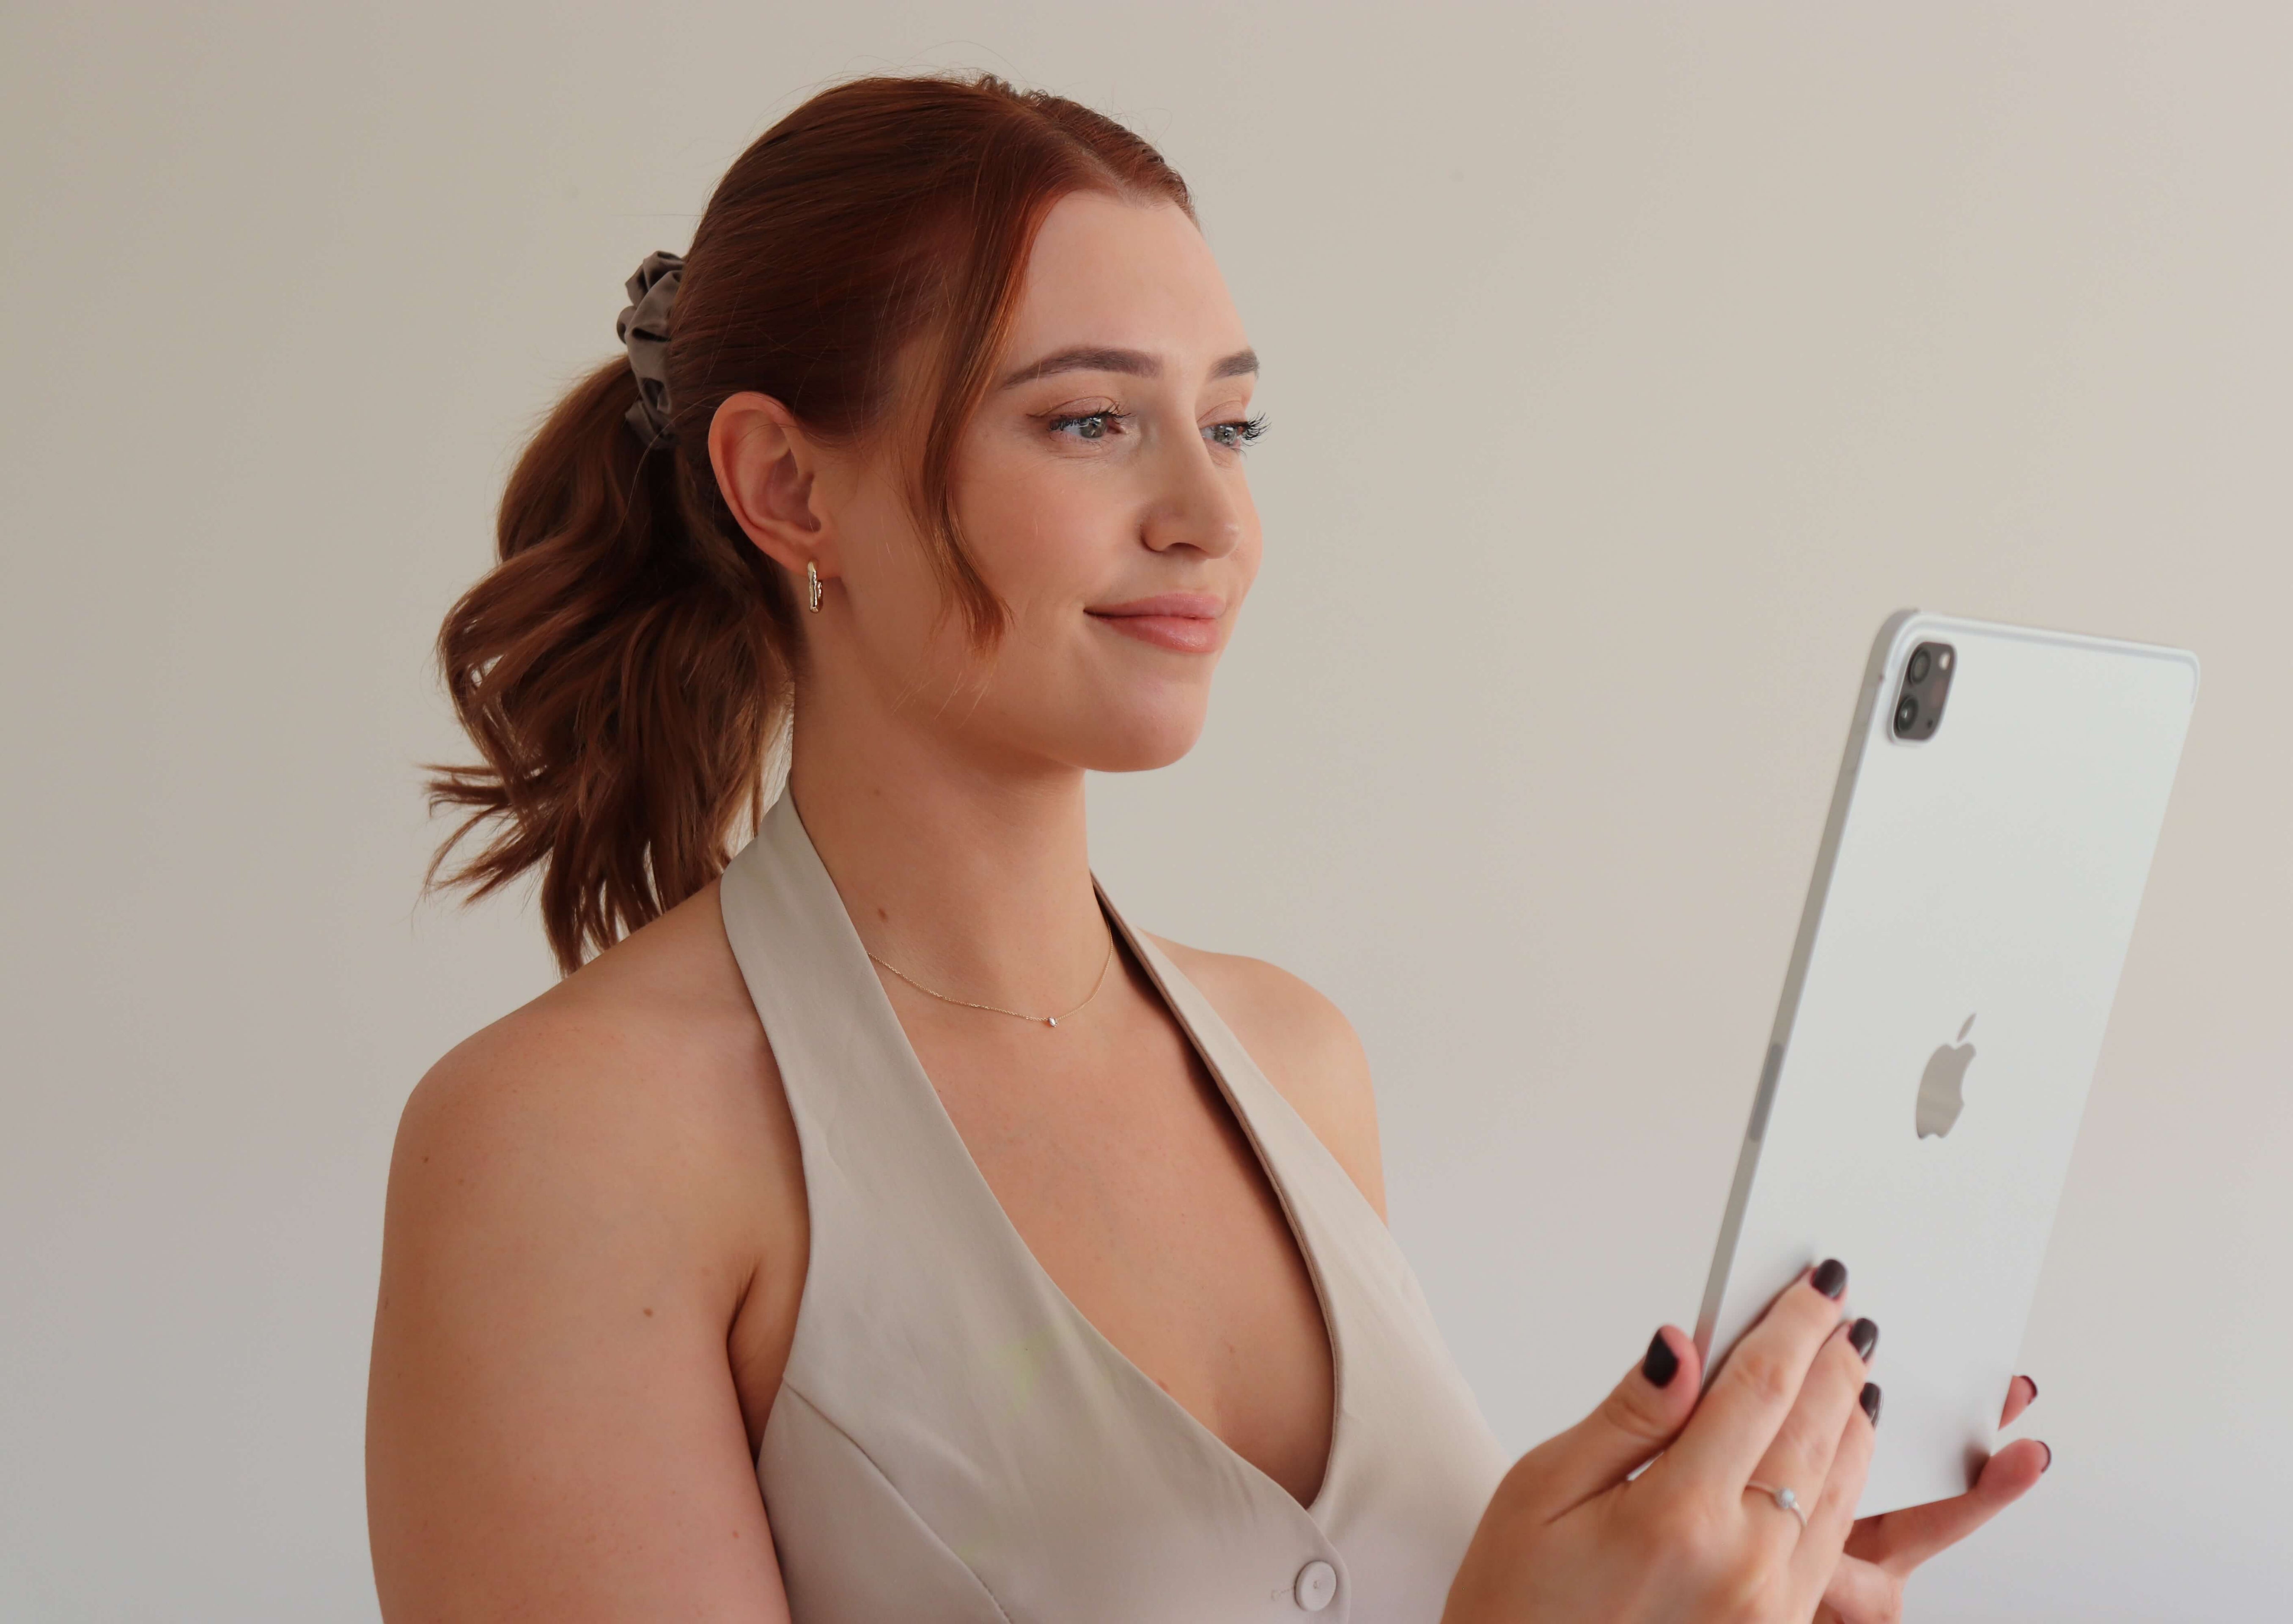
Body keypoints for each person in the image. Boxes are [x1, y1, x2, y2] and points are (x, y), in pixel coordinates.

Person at [364, 73, 2047, 1623]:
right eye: (1090, 422)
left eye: (1230, 427)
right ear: (787, 487)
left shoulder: (1296, 1061)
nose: (1213, 519)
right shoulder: (571, 1148)